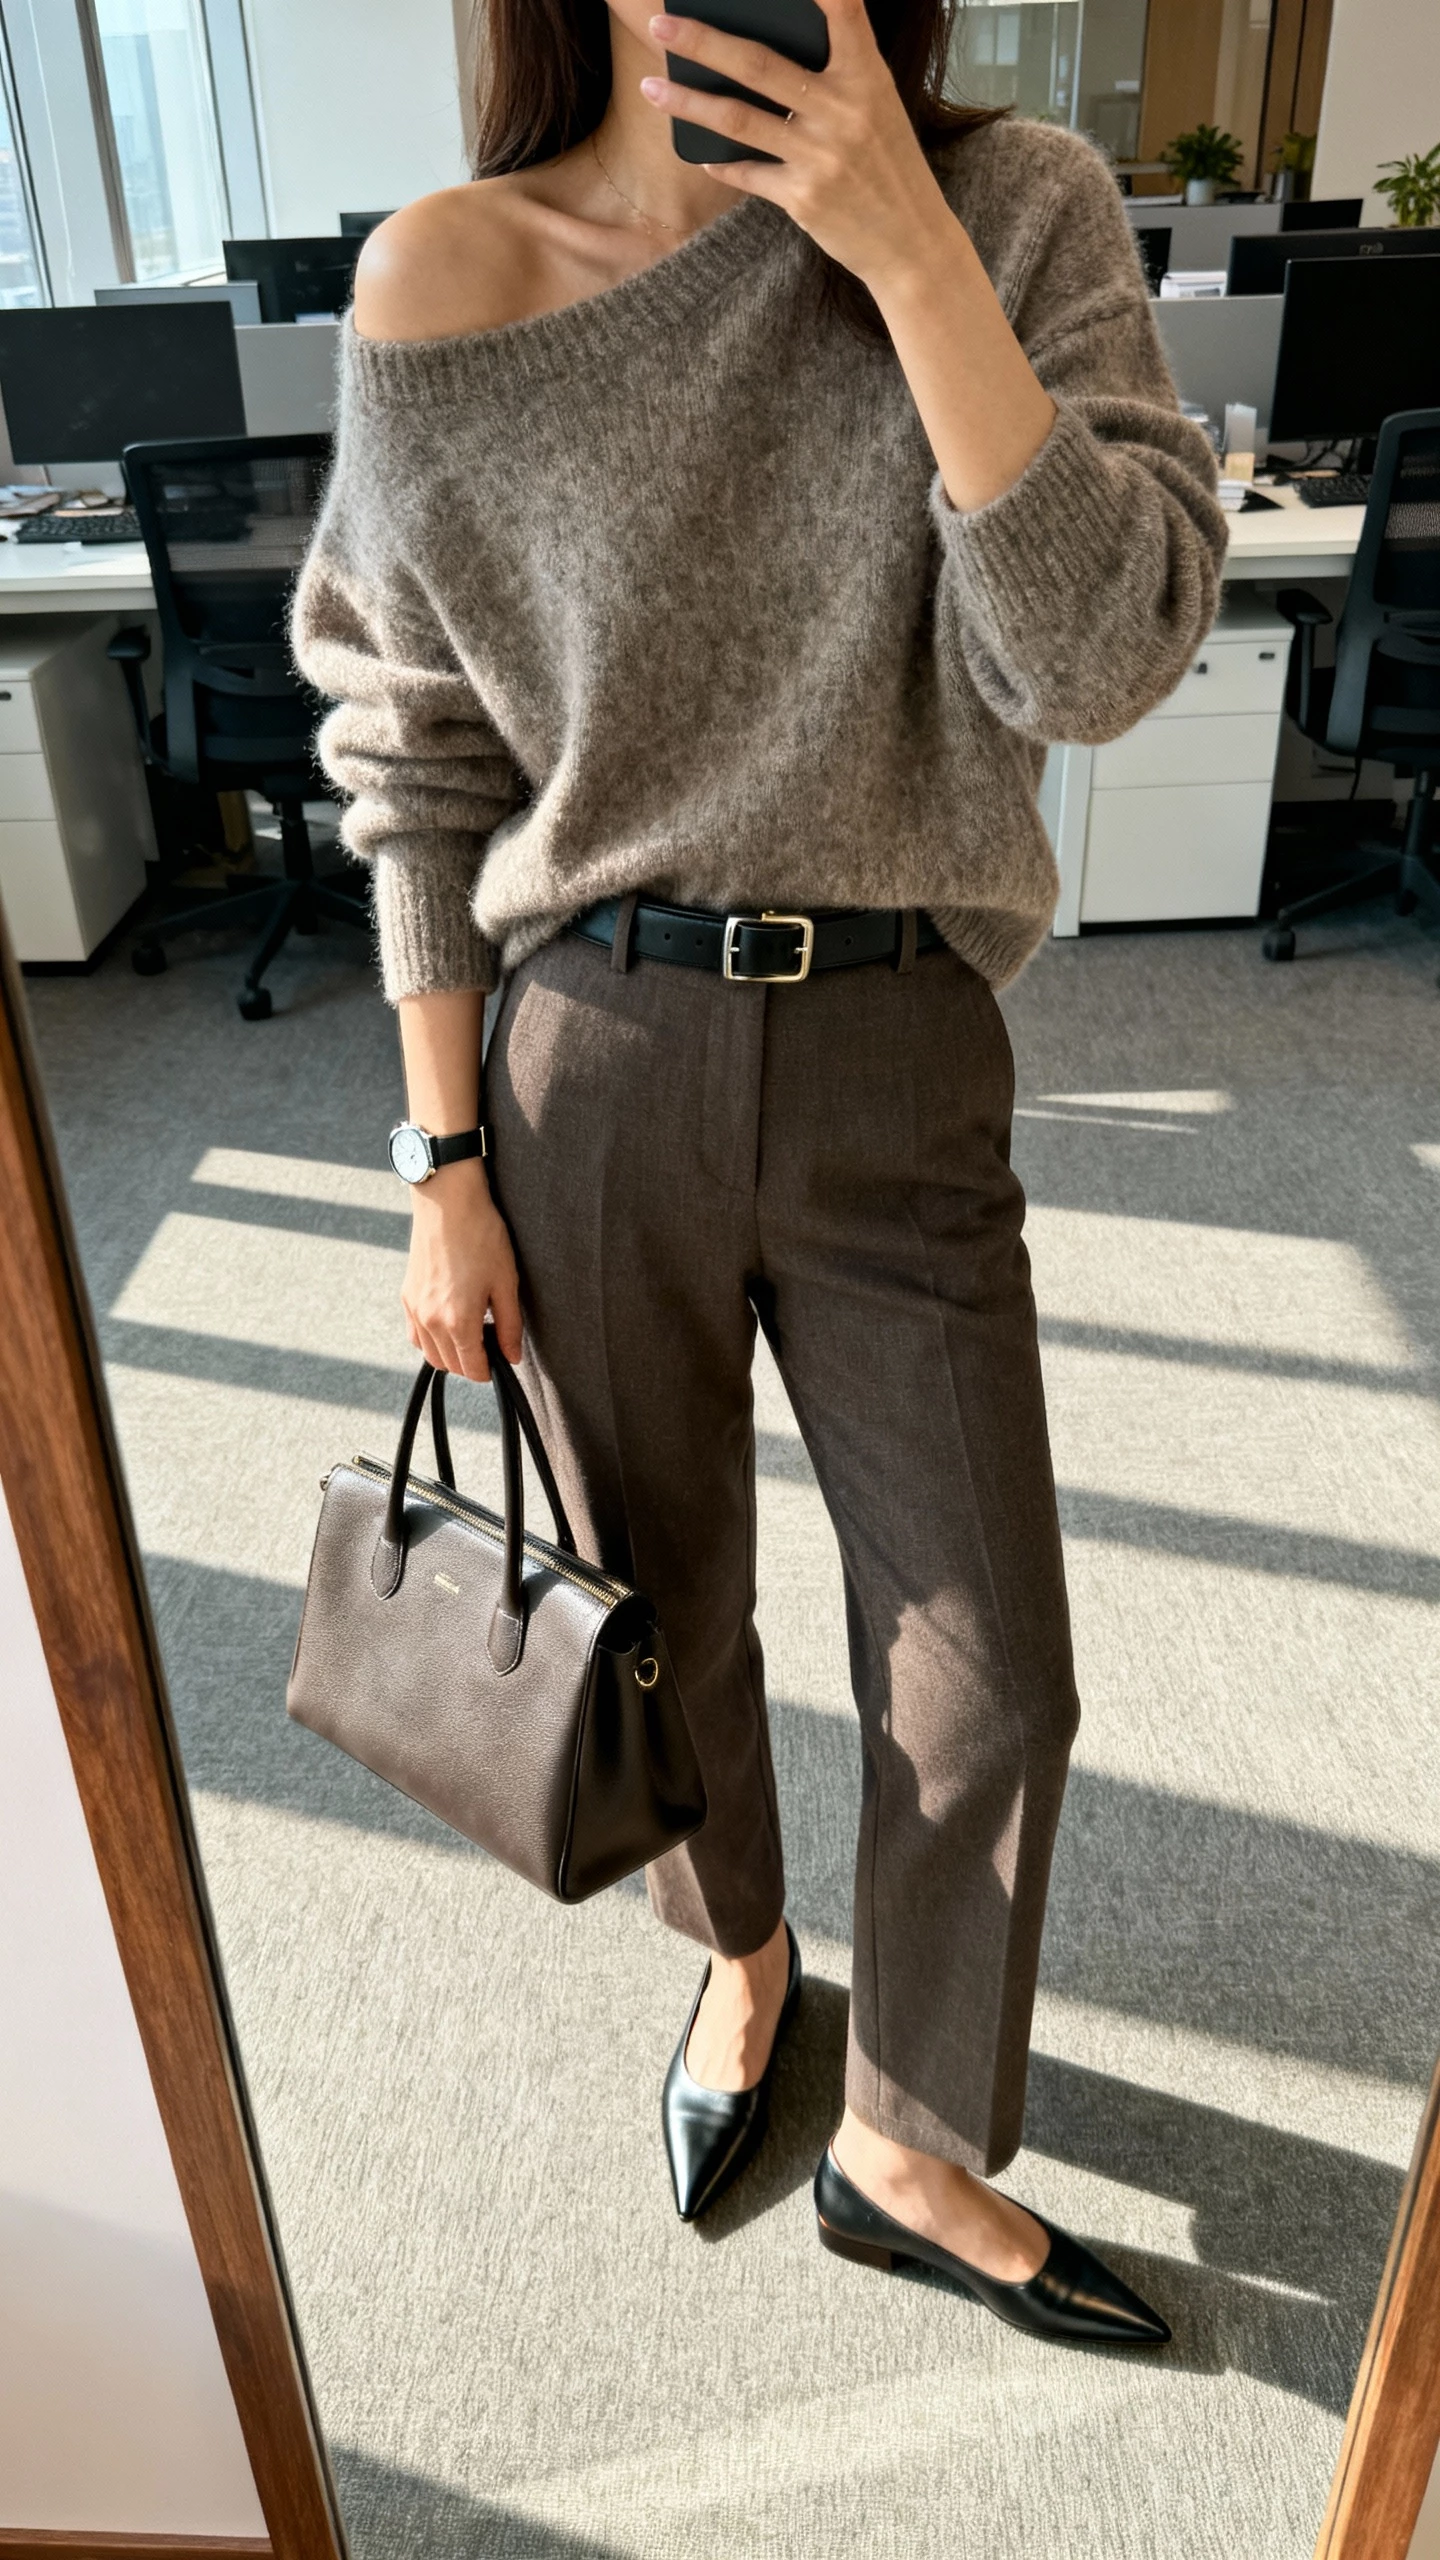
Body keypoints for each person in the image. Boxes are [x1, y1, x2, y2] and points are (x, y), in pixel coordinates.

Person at [292, 0, 1224, 2347]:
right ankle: (739, 1963)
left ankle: (905, 2134)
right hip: (583, 1044)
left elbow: (1098, 661)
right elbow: (409, 757)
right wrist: (440, 1161)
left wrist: (912, 261)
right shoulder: (446, 281)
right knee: (659, 1615)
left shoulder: (1018, 211)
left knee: (992, 1659)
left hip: (906, 1033)